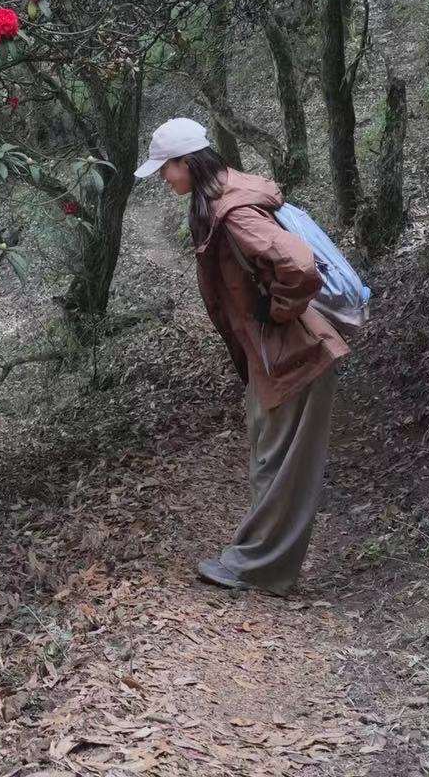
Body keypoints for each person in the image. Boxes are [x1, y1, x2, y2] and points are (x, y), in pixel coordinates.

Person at [135, 116, 349, 595]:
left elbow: (298, 266)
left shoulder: (233, 212)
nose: (164, 179)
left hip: (294, 351)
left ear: (187, 163)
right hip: (273, 353)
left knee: (280, 465)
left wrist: (275, 312)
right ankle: (261, 562)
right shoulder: (217, 201)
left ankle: (258, 568)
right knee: (265, 451)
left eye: (166, 169)